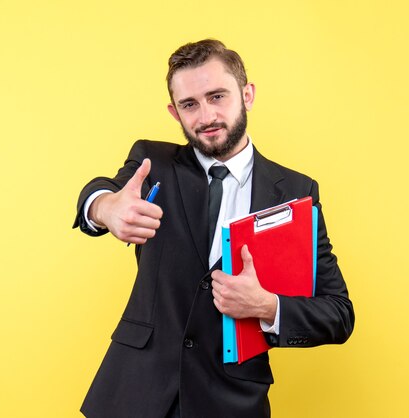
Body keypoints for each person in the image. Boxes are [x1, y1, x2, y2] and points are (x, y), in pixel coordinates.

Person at [73, 39, 354, 418]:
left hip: (230, 400)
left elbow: (338, 314)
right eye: (190, 104)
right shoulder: (153, 162)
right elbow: (102, 192)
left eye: (217, 96)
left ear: (247, 94)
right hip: (135, 395)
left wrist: (267, 307)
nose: (206, 116)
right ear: (175, 113)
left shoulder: (296, 192)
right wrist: (106, 209)